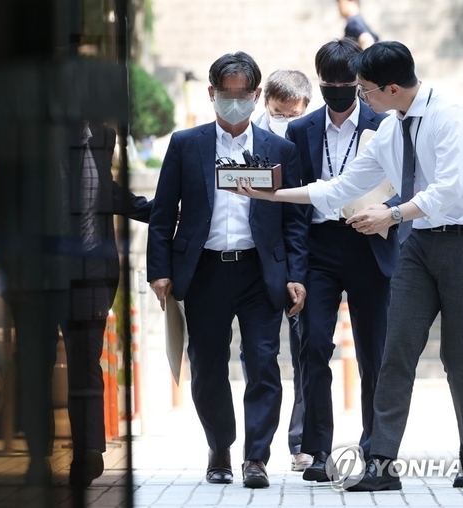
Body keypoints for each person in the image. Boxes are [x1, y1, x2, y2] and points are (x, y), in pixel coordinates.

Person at [232, 41, 463, 491]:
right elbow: (340, 187)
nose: (358, 97)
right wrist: (269, 194)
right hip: (419, 246)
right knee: (395, 353)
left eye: (364, 89)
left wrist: (391, 214)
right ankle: (382, 463)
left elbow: (447, 190)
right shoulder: (392, 130)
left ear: (391, 88)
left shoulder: (451, 118)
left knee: (458, 358)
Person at [146, 51, 308, 489]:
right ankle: (219, 447)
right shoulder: (186, 144)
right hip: (204, 271)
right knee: (207, 365)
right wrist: (159, 270)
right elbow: (163, 214)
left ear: (257, 95)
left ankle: (256, 458)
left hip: (260, 272)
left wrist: (296, 274)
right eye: (226, 94)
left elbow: (295, 221)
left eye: (243, 94)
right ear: (212, 93)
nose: (234, 102)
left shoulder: (280, 149)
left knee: (263, 363)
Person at [0, 120, 152, 489]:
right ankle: (37, 458)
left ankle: (88, 451)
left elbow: (104, 191)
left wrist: (153, 210)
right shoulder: (20, 139)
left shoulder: (102, 137)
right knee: (35, 369)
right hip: (36, 280)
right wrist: (9, 276)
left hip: (89, 273)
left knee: (85, 364)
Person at [282, 38, 398, 484]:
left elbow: (408, 185)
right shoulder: (301, 130)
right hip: (319, 249)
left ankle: (375, 448)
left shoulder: (385, 124)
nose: (337, 89)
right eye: (328, 82)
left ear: (359, 82)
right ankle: (317, 450)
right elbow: (295, 209)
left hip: (371, 245)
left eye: (345, 82)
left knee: (375, 353)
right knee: (313, 347)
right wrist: (296, 269)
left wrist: (387, 213)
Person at [251, 68, 314, 472]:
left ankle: (302, 441)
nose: (286, 121)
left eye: (294, 114)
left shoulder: (310, 138)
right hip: (254, 262)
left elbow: (303, 213)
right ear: (265, 103)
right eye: (278, 113)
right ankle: (256, 449)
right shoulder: (248, 136)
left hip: (300, 260)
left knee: (306, 351)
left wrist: (299, 271)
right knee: (259, 356)